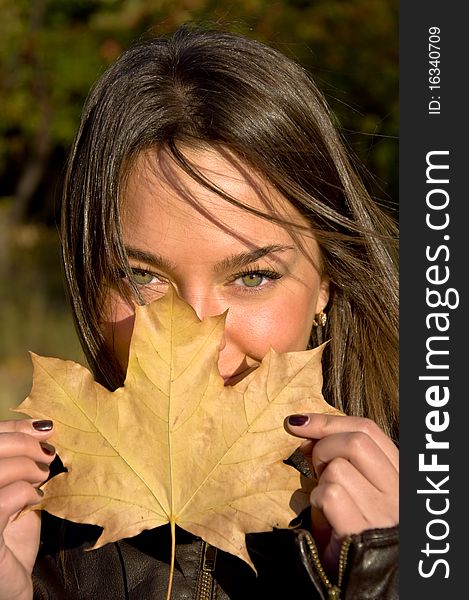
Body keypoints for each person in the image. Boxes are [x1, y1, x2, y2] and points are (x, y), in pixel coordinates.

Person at [0, 23, 399, 600]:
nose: (198, 340)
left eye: (253, 276)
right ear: (88, 281)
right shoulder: (38, 536)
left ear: (326, 285)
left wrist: (387, 580)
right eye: (141, 277)